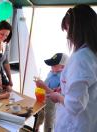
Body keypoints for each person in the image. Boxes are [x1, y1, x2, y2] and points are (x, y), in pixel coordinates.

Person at [35, 4, 97, 132]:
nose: (68, 36)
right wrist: (64, 91)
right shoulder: (91, 53)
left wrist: (58, 97)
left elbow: (75, 105)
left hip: (74, 125)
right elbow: (84, 89)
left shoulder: (81, 58)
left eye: (68, 30)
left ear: (79, 29)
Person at [35, 53, 68, 132]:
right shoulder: (51, 72)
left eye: (54, 65)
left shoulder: (63, 78)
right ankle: (36, 128)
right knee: (39, 114)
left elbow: (57, 95)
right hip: (43, 98)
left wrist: (43, 86)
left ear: (63, 67)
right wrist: (40, 85)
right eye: (51, 65)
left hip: (52, 103)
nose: (51, 67)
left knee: (49, 119)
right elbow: (47, 82)